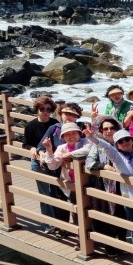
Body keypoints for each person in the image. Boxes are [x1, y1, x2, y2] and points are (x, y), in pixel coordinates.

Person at [83, 125, 133, 265]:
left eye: (127, 139)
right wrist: (91, 137)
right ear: (117, 145)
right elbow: (105, 146)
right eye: (120, 141)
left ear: (132, 140)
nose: (125, 142)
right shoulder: (117, 157)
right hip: (131, 198)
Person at [42, 122, 91, 229]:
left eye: (74, 133)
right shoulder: (61, 147)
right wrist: (49, 150)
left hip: (89, 185)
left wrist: (69, 154)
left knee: (91, 212)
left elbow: (87, 150)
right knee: (77, 212)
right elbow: (53, 166)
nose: (71, 136)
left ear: (79, 134)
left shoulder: (85, 142)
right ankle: (81, 240)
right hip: (72, 186)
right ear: (63, 137)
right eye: (67, 134)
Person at [23, 96, 59, 233]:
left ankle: (60, 223)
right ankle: (49, 225)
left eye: (49, 109)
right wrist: (31, 148)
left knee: (56, 192)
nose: (45, 112)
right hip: (38, 163)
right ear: (36, 110)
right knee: (44, 194)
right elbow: (26, 143)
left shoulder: (55, 124)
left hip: (53, 161)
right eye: (42, 109)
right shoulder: (31, 126)